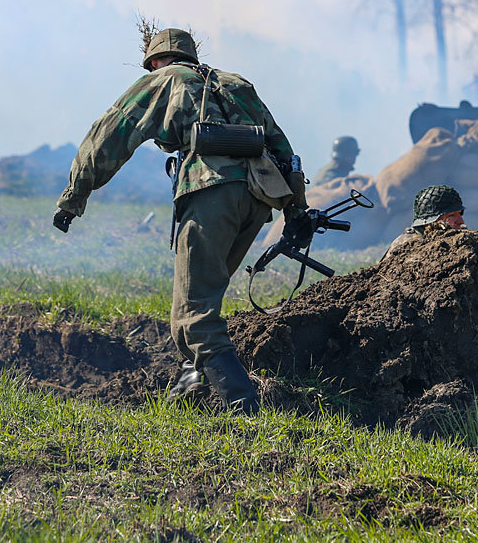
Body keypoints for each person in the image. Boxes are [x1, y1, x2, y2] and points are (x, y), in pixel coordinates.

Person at [52, 27, 303, 414]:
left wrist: (74, 196)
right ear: (191, 55)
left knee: (192, 316)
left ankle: (246, 409)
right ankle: (189, 388)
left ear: (154, 61)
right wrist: (297, 208)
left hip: (209, 192)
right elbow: (283, 148)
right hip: (258, 198)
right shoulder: (235, 83)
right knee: (204, 299)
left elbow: (109, 137)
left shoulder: (160, 80)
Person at [382, 184, 465, 260]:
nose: (461, 221)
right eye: (451, 215)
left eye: (460, 214)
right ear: (430, 221)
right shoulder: (410, 245)